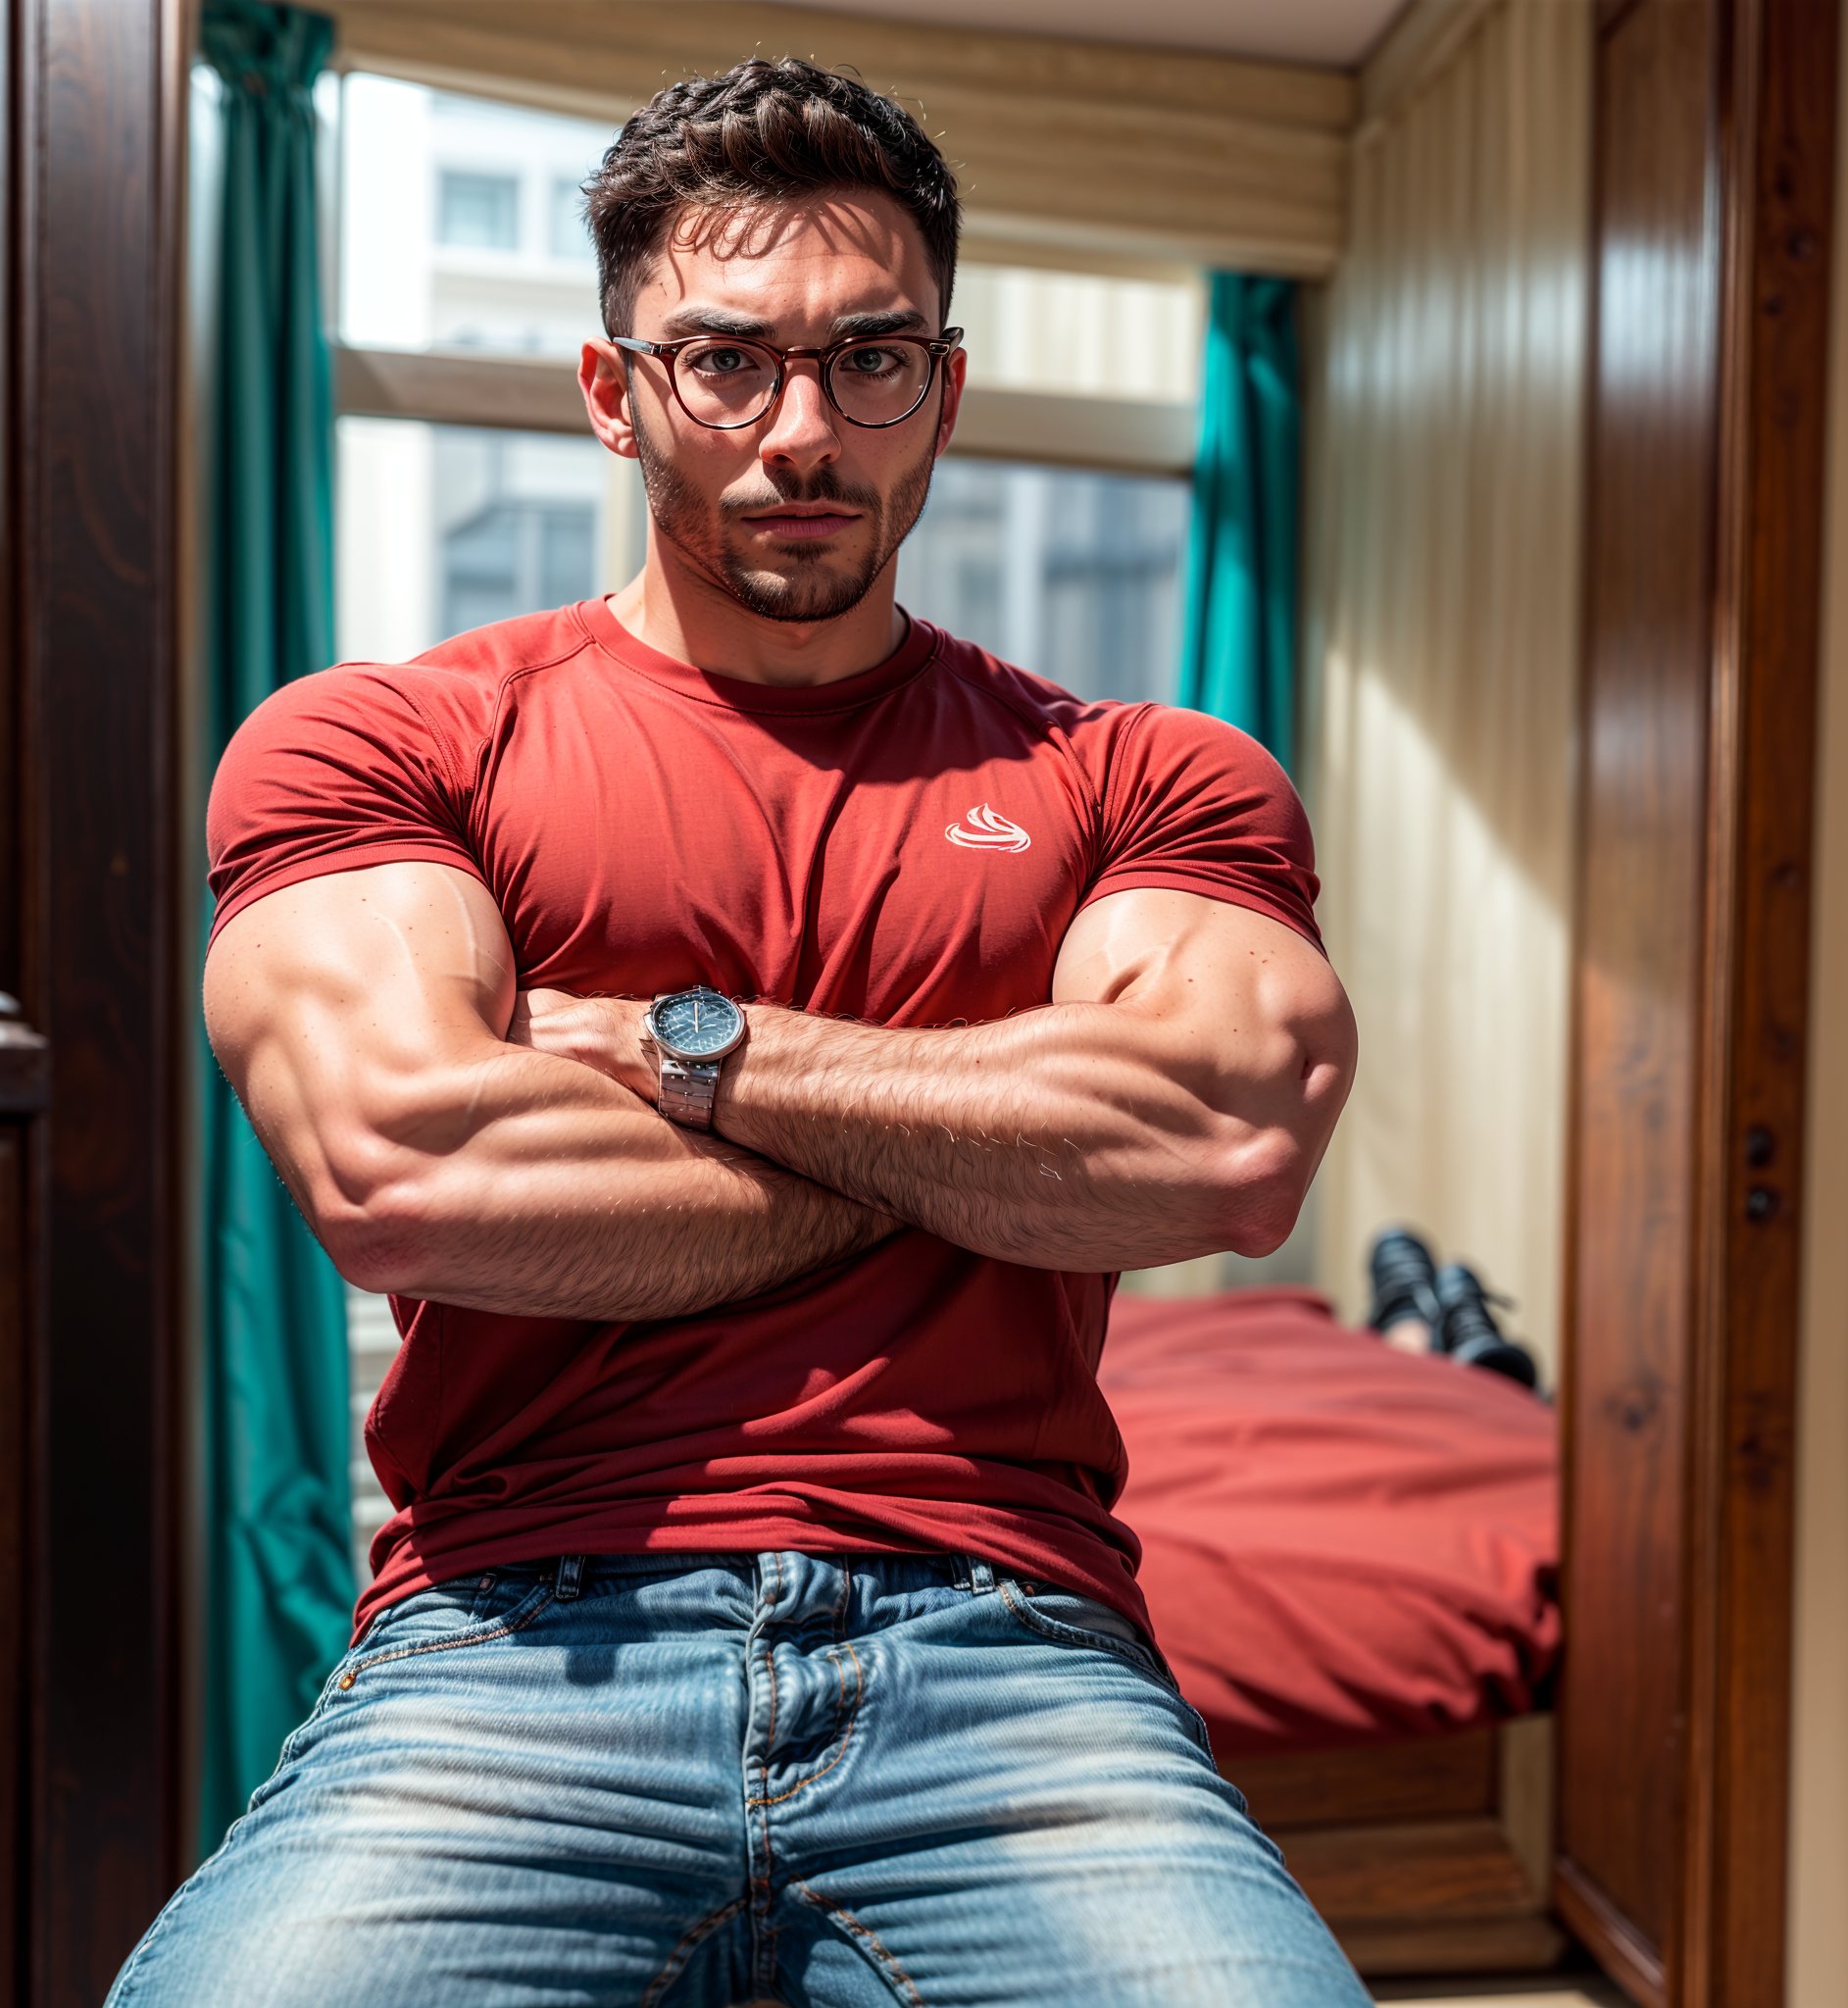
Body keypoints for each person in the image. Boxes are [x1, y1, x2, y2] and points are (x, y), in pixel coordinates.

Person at [110, 58, 1366, 2008]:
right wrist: (987, 1134)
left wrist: (670, 1045)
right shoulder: (392, 740)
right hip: (513, 1643)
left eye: (871, 360)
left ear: (941, 392)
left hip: (1009, 1652)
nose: (804, 430)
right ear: (614, 393)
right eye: (726, 364)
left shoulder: (1141, 776)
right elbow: (416, 1166)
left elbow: (1211, 1148)